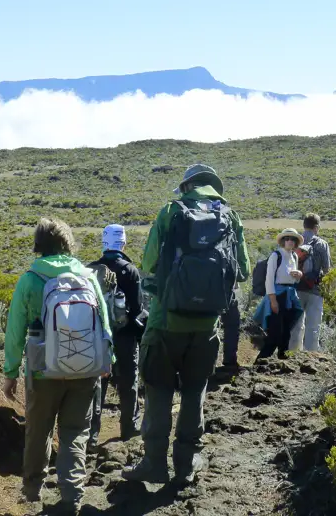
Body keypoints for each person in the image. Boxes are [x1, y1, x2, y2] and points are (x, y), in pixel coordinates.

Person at [122, 164, 250, 485]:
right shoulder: (231, 218)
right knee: (194, 392)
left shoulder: (171, 211)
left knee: (159, 390)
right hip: (206, 327)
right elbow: (244, 270)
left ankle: (154, 462)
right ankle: (187, 463)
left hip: (165, 322)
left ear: (188, 186)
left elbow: (148, 262)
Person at [3, 218, 113, 516]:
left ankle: (32, 491)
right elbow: (104, 323)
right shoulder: (87, 276)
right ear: (68, 243)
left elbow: (15, 331)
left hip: (43, 371)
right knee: (75, 432)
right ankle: (72, 495)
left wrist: (10, 373)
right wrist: (107, 360)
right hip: (86, 369)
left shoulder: (30, 279)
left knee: (38, 431)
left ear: (39, 245)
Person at [86, 224, 144, 448]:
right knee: (129, 381)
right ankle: (129, 428)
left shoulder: (90, 269)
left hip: (98, 338)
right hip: (125, 336)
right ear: (123, 242)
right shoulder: (130, 270)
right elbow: (137, 308)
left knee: (97, 384)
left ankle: (91, 434)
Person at [254, 228, 305, 360]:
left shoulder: (294, 256)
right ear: (283, 241)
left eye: (293, 239)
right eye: (287, 239)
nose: (290, 241)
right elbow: (269, 279)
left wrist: (299, 275)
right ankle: (260, 363)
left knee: (286, 332)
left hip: (290, 296)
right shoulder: (276, 256)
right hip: (277, 296)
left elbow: (293, 279)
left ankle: (283, 362)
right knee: (275, 333)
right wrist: (273, 300)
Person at [289, 213, 331, 352]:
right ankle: (310, 358)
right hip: (315, 290)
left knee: (296, 325)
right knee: (313, 326)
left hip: (296, 289)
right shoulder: (322, 244)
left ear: (304, 225)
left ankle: (292, 355)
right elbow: (326, 270)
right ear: (317, 227)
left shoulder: (295, 242)